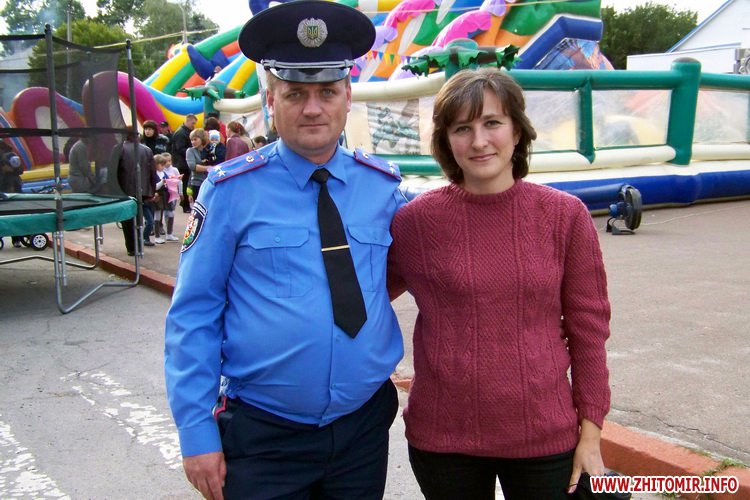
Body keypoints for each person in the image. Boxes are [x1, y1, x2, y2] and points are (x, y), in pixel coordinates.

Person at [164, 2, 406, 498]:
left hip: (362, 432)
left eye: (327, 91)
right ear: (270, 100)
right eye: (295, 93)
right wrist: (195, 430)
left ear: (347, 96)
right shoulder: (230, 192)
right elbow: (194, 313)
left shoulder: (383, 188)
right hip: (264, 437)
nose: (313, 108)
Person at [386, 67, 612, 500]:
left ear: (517, 130)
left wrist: (591, 434)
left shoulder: (565, 217)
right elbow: (362, 297)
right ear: (445, 139)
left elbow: (589, 332)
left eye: (492, 123)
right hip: (443, 440)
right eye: (462, 128)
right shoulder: (414, 223)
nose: (479, 141)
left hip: (545, 438)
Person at [112, 127, 157, 254]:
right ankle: (139, 245)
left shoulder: (118, 149)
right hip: (143, 190)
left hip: (124, 190)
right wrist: (152, 191)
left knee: (127, 220)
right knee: (139, 217)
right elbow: (153, 173)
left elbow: (113, 171)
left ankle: (132, 247)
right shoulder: (147, 150)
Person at [0, 140, 24, 247]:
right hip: (9, 188)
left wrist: (10, 170)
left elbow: (19, 169)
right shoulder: (9, 154)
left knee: (12, 215)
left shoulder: (8, 156)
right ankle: (15, 239)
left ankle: (16, 238)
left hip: (11, 189)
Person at [172, 114, 197, 213]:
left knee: (185, 185)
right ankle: (185, 204)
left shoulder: (185, 132)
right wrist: (191, 153)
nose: (193, 125)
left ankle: (185, 204)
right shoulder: (181, 133)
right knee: (184, 184)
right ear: (187, 121)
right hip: (181, 164)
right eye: (193, 123)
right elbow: (180, 148)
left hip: (183, 163)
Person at [160, 153, 183, 242]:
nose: (168, 163)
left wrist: (180, 192)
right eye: (166, 161)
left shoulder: (174, 170)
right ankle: (161, 230)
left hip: (172, 194)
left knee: (171, 213)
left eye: (169, 161)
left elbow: (179, 181)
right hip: (163, 194)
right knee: (162, 212)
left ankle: (169, 233)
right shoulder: (161, 170)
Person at [186, 127, 210, 204]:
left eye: (195, 139)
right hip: (197, 183)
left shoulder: (208, 150)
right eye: (191, 140)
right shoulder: (190, 151)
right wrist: (208, 168)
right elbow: (193, 166)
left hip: (208, 182)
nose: (193, 142)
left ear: (202, 138)